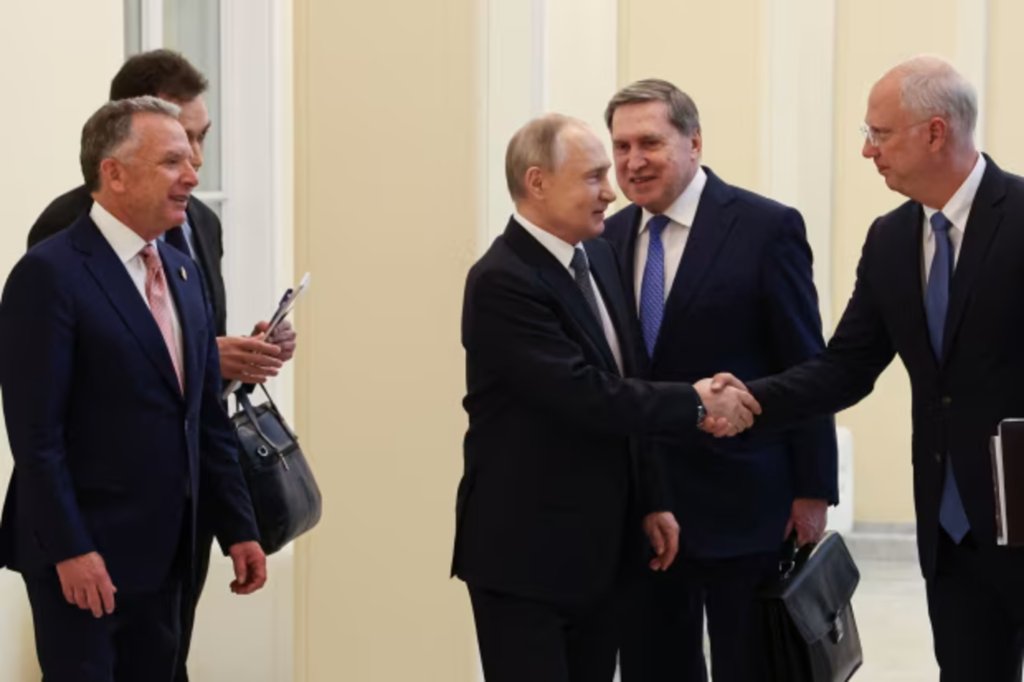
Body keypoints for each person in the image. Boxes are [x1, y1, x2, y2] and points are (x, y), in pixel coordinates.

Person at [729, 56, 1024, 681]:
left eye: (879, 133)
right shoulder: (890, 239)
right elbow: (847, 366)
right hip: (952, 531)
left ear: (935, 132)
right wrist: (748, 399)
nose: (868, 151)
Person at [451, 113, 762, 682]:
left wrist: (652, 499)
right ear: (538, 182)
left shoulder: (596, 256)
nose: (611, 192)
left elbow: (628, 375)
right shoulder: (501, 280)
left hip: (600, 553)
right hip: (525, 557)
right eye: (594, 176)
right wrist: (697, 403)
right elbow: (586, 396)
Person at [25, 49, 296, 681]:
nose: (194, 173)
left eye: (195, 151)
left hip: (172, 544)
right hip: (88, 547)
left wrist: (239, 527)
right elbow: (38, 435)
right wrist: (71, 546)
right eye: (173, 159)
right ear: (114, 174)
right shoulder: (51, 267)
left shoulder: (179, 266)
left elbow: (203, 414)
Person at [602, 79, 838, 682]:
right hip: (645, 513)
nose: (633, 161)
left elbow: (807, 366)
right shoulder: (606, 239)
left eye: (650, 142)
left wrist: (813, 490)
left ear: (695, 142)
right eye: (622, 146)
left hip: (747, 508)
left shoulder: (766, 228)